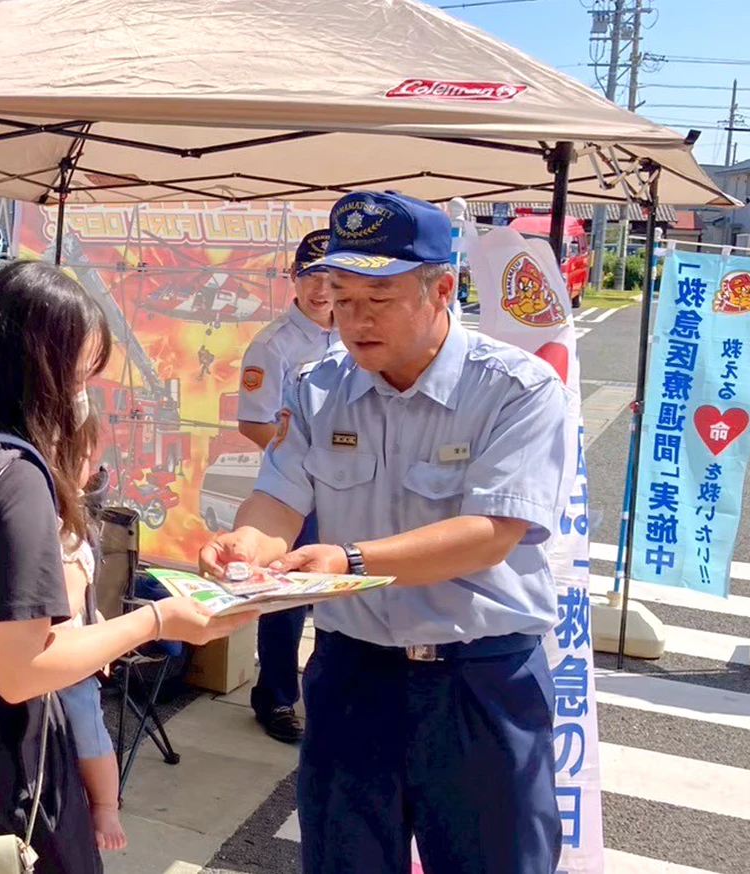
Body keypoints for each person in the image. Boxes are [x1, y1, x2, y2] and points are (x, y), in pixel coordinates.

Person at [200, 191, 569, 874]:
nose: (355, 321)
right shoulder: (318, 388)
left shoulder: (517, 389)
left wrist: (352, 558)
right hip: (353, 673)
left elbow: (491, 532)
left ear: (441, 290)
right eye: (341, 299)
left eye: (379, 299)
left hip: (478, 681)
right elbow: (278, 496)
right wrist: (246, 546)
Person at [0, 261, 254, 873]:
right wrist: (157, 621)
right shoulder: (10, 479)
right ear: (39, 367)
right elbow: (22, 670)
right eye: (79, 374)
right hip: (0, 776)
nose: (83, 395)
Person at [235, 228, 336, 744]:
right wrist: (298, 450)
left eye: (329, 277)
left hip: (347, 492)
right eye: (309, 276)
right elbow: (252, 423)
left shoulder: (355, 335)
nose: (320, 290)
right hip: (294, 491)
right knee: (286, 598)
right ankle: (275, 699)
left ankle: (328, 694)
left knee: (343, 596)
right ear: (292, 280)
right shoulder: (274, 345)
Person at [57, 455, 124, 851]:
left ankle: (105, 804)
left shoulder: (76, 524)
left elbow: (79, 597)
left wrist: (98, 625)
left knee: (87, 726)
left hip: (71, 655)